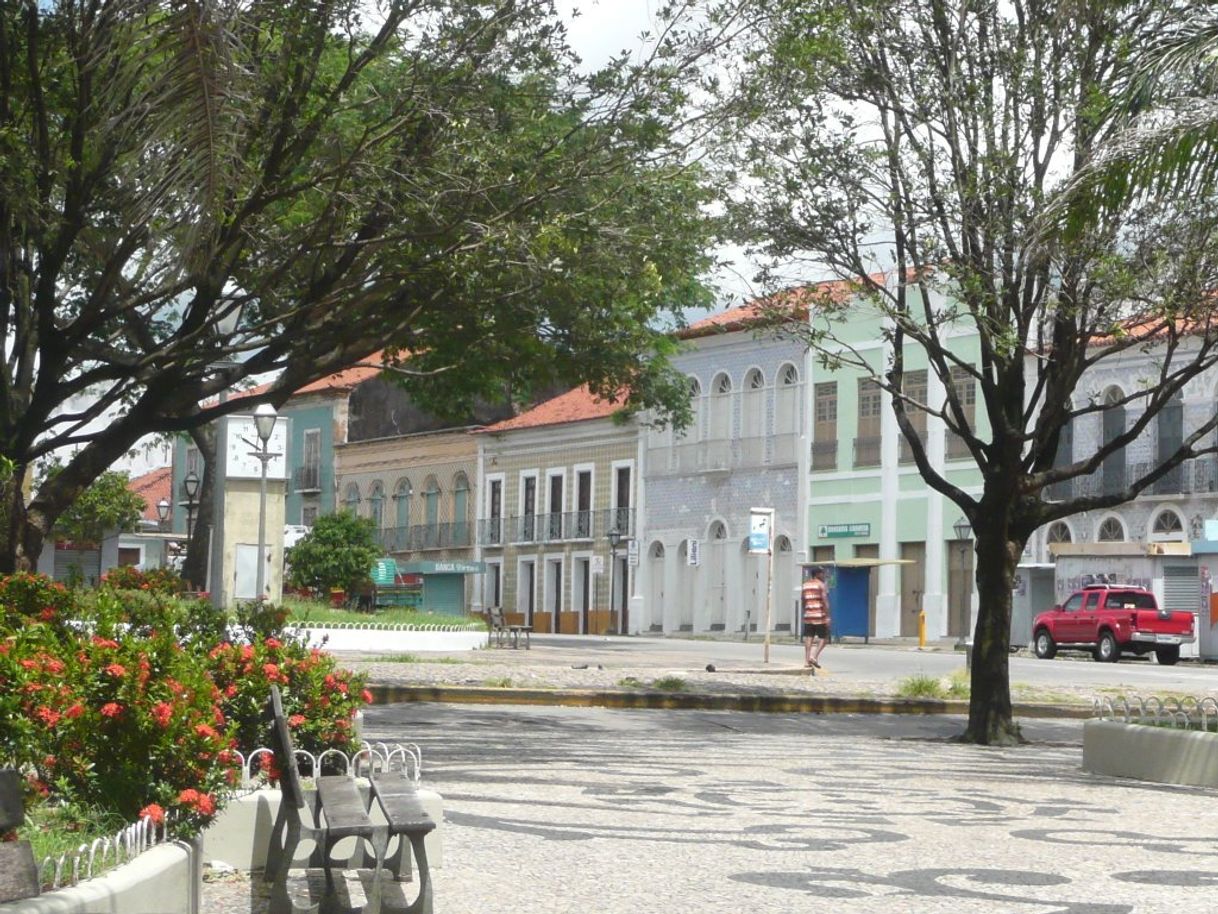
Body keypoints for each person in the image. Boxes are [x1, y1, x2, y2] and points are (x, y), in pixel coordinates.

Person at [801, 566, 831, 669]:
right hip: (819, 615)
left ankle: (806, 660)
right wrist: (827, 617)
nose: (823, 575)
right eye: (822, 573)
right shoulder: (821, 585)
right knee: (824, 638)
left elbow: (803, 600)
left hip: (808, 615)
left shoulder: (805, 585)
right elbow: (825, 601)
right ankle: (814, 656)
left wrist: (806, 610)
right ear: (817, 574)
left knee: (809, 638)